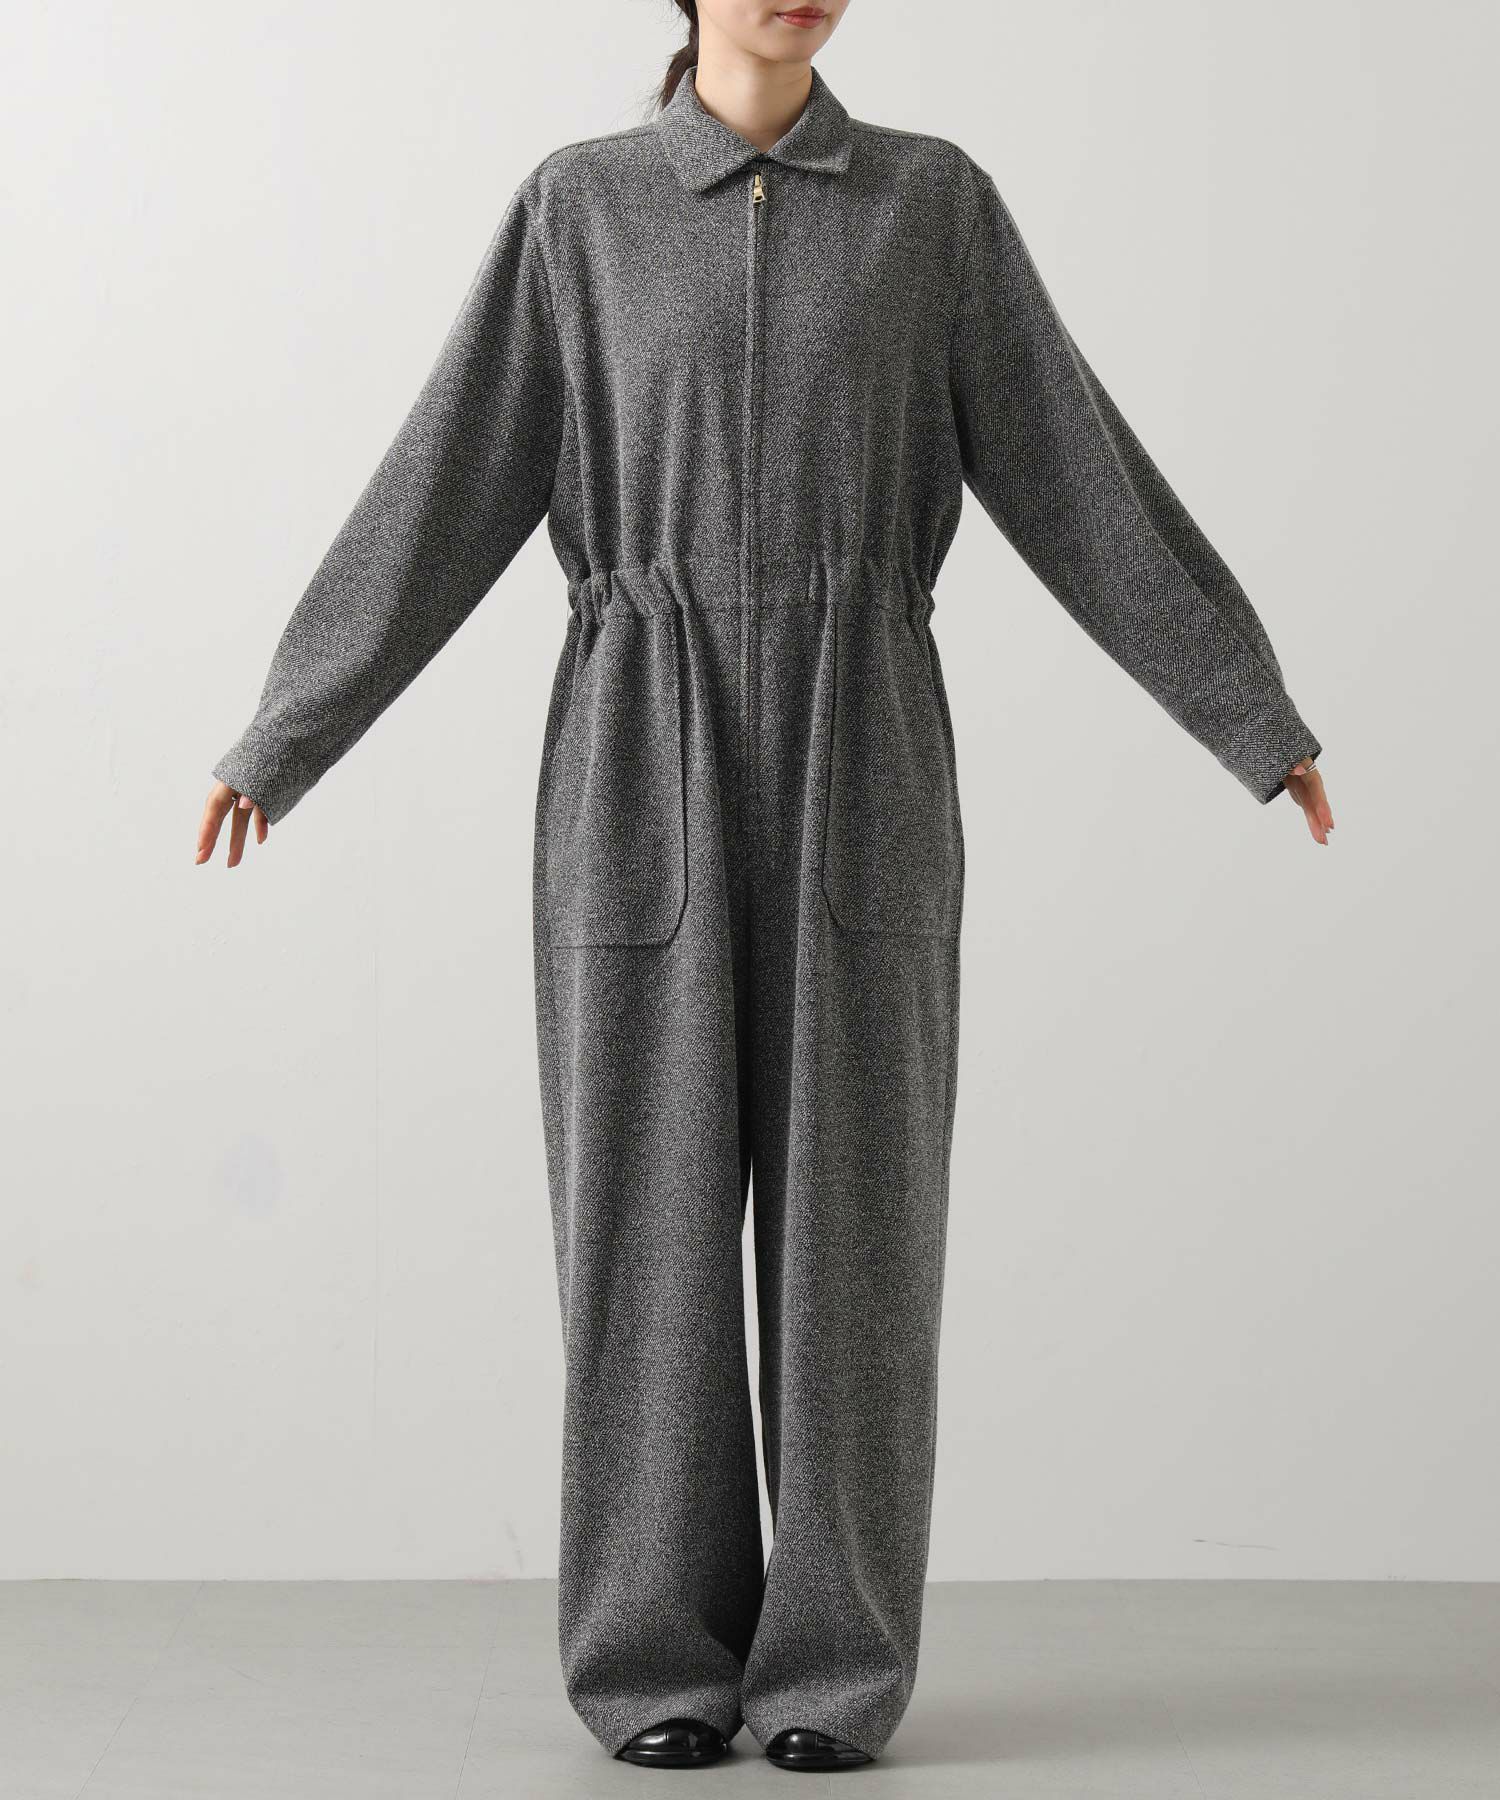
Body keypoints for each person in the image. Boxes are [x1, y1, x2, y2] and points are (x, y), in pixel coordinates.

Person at [196, 0, 1334, 1775]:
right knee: (641, 1227)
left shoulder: (933, 208)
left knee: (858, 1238)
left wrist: (1243, 708)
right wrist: (290, 727)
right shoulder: (579, 211)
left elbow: (1074, 467)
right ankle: (653, 1658)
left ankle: (832, 1671)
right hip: (634, 756)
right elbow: (446, 480)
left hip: (861, 751)